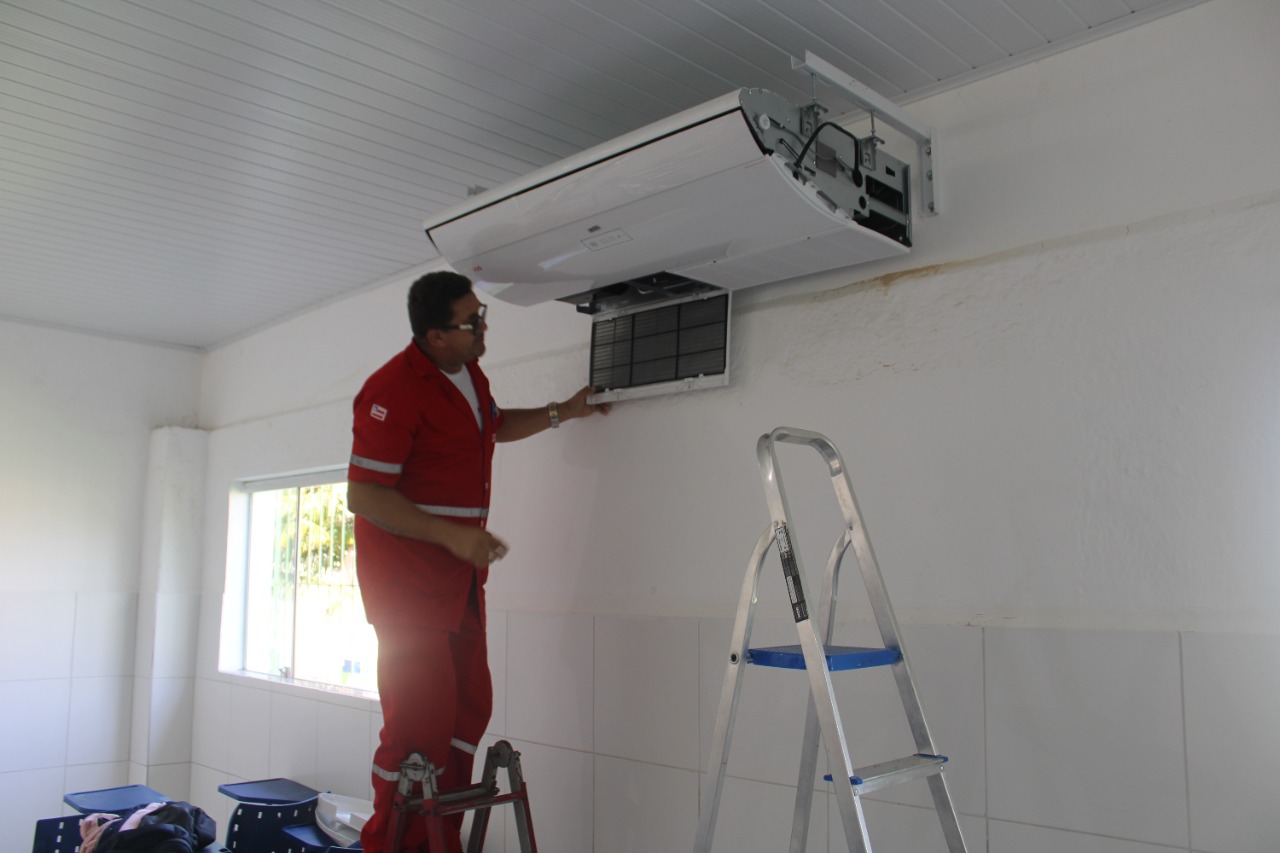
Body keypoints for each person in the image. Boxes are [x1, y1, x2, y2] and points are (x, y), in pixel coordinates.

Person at [347, 270, 608, 852]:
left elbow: (492, 426)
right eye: (471, 323)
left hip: (459, 584)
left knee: (468, 709)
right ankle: (393, 846)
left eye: (481, 314)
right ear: (435, 336)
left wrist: (563, 412)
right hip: (408, 592)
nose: (482, 328)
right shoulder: (393, 389)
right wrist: (453, 537)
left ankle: (441, 837)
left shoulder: (466, 373)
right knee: (418, 728)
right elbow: (363, 495)